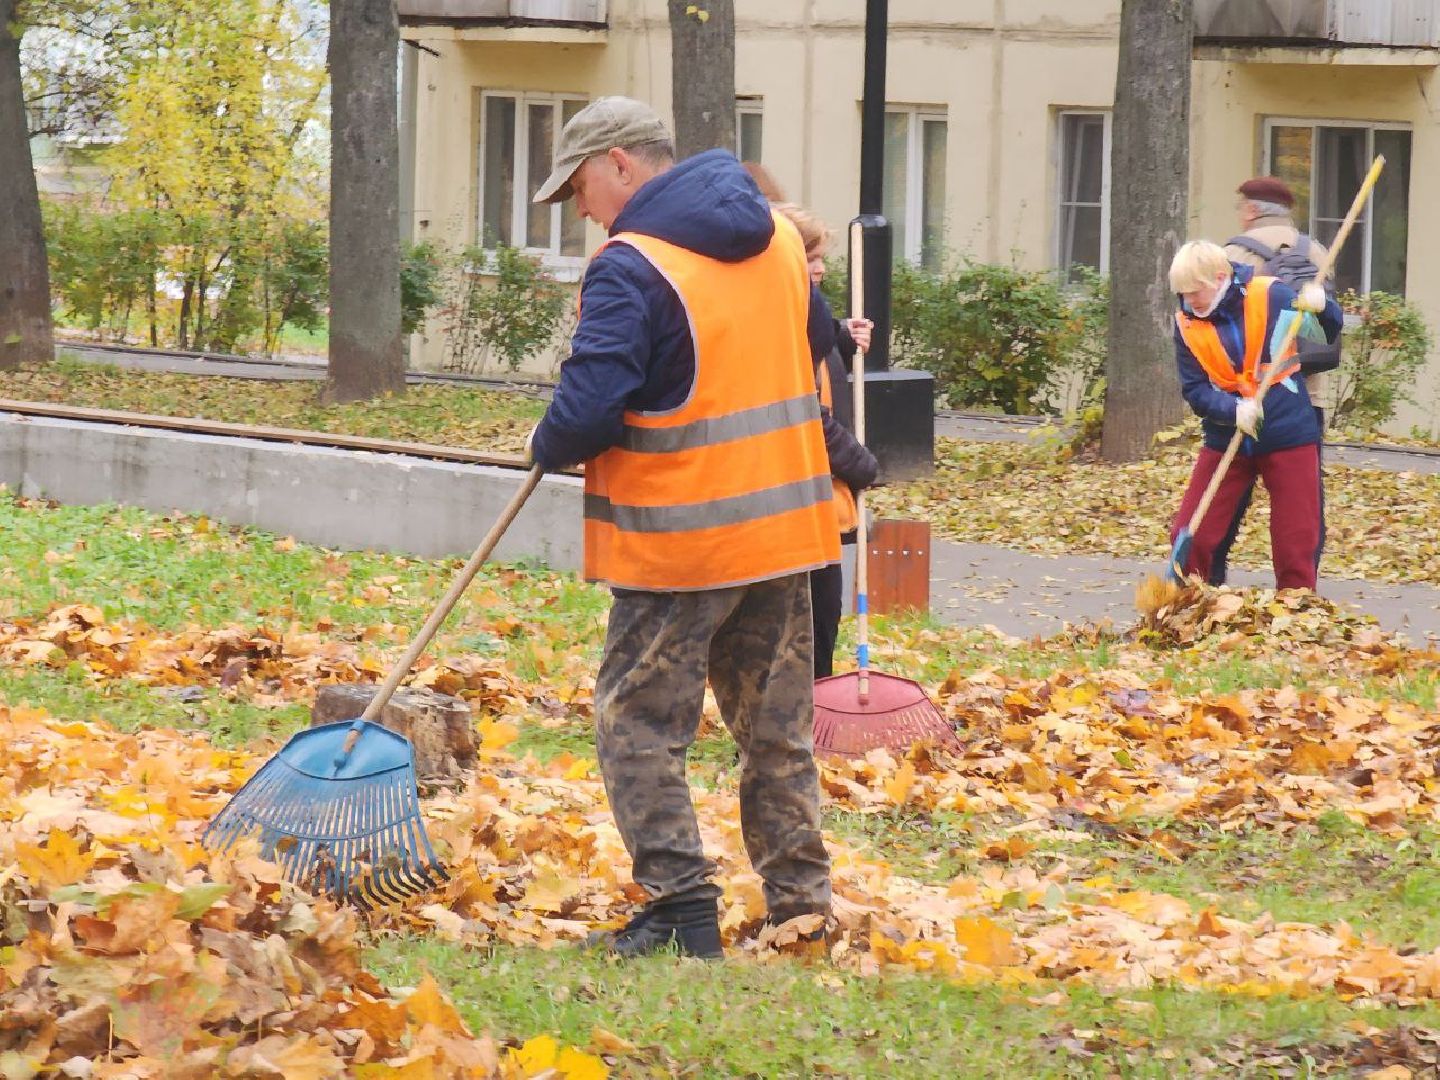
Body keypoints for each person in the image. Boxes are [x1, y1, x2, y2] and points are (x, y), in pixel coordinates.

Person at [526, 97, 840, 958]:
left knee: (636, 727)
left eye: (581, 187)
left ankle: (679, 912)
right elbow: (816, 348)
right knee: (775, 733)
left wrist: (543, 440)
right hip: (784, 535)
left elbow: (590, 407)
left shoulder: (633, 266)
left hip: (683, 543)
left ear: (622, 164)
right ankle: (802, 908)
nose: (581, 209)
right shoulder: (778, 238)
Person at [1168, 240, 1343, 592]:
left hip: (1287, 431)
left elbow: (1324, 335)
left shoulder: (1270, 296)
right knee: (1192, 530)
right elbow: (1195, 391)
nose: (1190, 301)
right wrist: (1232, 410)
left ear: (1219, 278)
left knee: (1297, 535)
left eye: (1195, 291)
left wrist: (1322, 309)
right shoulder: (1186, 324)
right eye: (1183, 294)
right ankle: (1189, 601)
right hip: (1226, 434)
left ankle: (1297, 609)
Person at [1212, 177, 1339, 585]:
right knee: (1300, 504)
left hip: (1245, 398)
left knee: (1226, 496)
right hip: (1306, 397)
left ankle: (1209, 578)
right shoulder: (1316, 251)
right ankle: (1299, 590)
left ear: (1251, 210)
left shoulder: (1234, 253)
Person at [771, 202, 878, 677]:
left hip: (819, 509)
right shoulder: (779, 326)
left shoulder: (809, 319)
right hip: (794, 505)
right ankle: (797, 716)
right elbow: (809, 415)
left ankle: (816, 707)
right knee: (801, 621)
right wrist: (860, 464)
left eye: (821, 257)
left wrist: (840, 335)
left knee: (823, 615)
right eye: (810, 257)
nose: (820, 267)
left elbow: (814, 340)